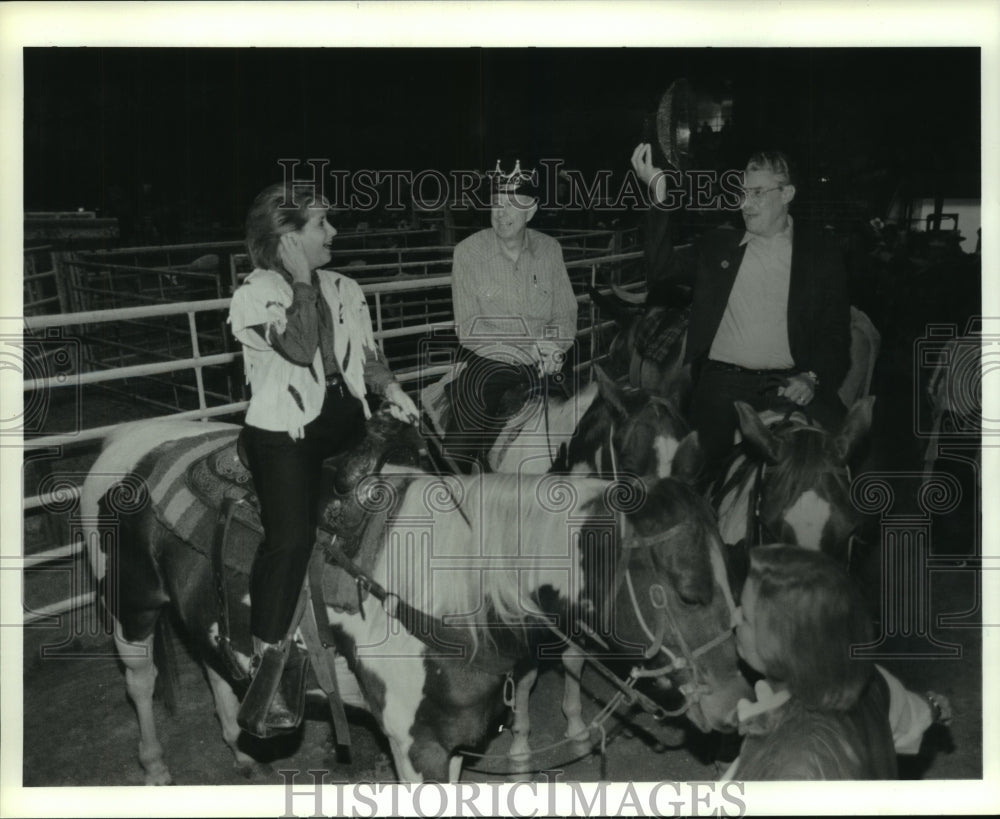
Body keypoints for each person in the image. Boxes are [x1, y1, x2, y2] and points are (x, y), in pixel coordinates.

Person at [227, 180, 418, 738]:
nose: (333, 231)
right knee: (290, 538)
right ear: (286, 238)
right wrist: (302, 282)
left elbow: (367, 353)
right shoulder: (257, 292)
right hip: (286, 432)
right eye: (319, 225)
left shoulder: (344, 285)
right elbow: (299, 347)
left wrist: (392, 390)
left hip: (343, 417)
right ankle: (267, 663)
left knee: (415, 485)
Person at [631, 145, 852, 477]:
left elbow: (835, 335)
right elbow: (661, 269)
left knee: (841, 462)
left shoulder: (819, 257)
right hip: (723, 388)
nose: (746, 202)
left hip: (788, 386)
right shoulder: (719, 246)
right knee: (690, 477)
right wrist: (659, 195)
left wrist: (811, 377)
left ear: (787, 193)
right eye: (743, 192)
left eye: (758, 192)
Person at [444, 163, 578, 471]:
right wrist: (526, 350)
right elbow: (468, 327)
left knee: (585, 426)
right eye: (496, 203)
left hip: (547, 361)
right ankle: (452, 497)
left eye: (511, 204)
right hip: (490, 362)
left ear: (531, 211)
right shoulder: (468, 253)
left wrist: (555, 346)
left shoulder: (550, 250)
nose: (501, 212)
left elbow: (566, 312)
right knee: (455, 451)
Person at [726, 544, 897, 779]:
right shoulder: (870, 679)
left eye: (744, 616)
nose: (733, 617)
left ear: (779, 647)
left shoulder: (798, 770)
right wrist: (933, 707)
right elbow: (905, 715)